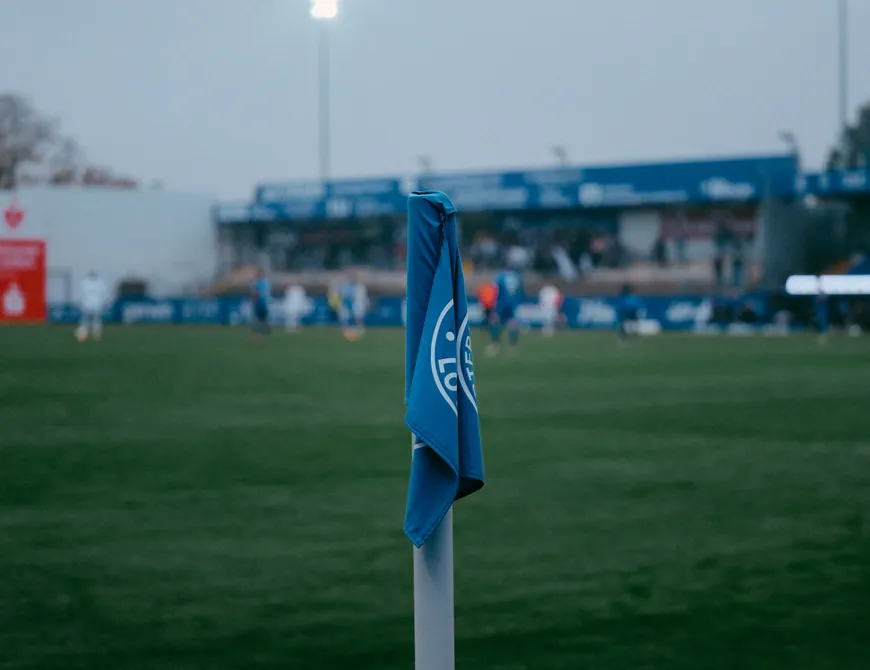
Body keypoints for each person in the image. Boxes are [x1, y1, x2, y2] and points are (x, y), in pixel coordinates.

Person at [489, 263, 524, 356]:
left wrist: (495, 304)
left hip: (502, 303)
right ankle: (512, 347)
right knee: (512, 324)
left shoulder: (501, 276)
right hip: (513, 303)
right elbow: (521, 290)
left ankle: (495, 345)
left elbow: (497, 290)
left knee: (495, 322)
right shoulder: (517, 277)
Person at [76, 271, 108, 342]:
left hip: (87, 305)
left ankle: (83, 335)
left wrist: (80, 303)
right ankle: (95, 335)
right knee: (96, 321)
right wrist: (104, 303)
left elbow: (80, 295)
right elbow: (104, 294)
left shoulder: (85, 282)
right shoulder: (100, 282)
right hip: (97, 305)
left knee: (86, 321)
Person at [250, 269, 272, 339]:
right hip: (259, 303)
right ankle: (257, 335)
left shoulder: (266, 282)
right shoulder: (256, 283)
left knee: (263, 319)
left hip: (264, 303)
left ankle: (261, 334)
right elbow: (254, 293)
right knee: (258, 319)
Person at [815, 279, 829, 345]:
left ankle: (824, 337)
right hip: (819, 312)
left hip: (822, 312)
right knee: (820, 324)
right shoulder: (818, 293)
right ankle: (822, 336)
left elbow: (824, 298)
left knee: (823, 324)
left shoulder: (823, 294)